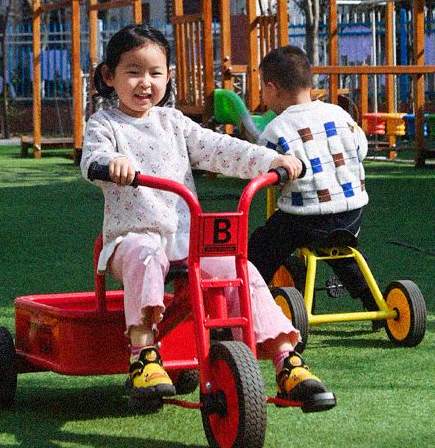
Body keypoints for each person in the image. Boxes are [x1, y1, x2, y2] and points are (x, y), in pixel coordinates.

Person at [81, 24, 334, 410]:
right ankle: (143, 355)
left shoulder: (174, 123)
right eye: (133, 72)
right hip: (130, 239)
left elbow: (220, 148)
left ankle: (286, 359)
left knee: (240, 268)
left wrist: (270, 160)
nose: (145, 82)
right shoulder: (106, 124)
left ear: (169, 76)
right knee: (145, 257)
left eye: (155, 73)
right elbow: (92, 159)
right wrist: (111, 162)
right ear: (109, 75)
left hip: (186, 242)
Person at [248, 44, 373, 307]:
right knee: (338, 246)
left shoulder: (276, 129)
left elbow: (263, 171)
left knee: (264, 243)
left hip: (305, 218)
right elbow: (361, 149)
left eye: (262, 88)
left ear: (272, 88)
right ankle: (369, 296)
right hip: (352, 215)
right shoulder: (339, 114)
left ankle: (248, 295)